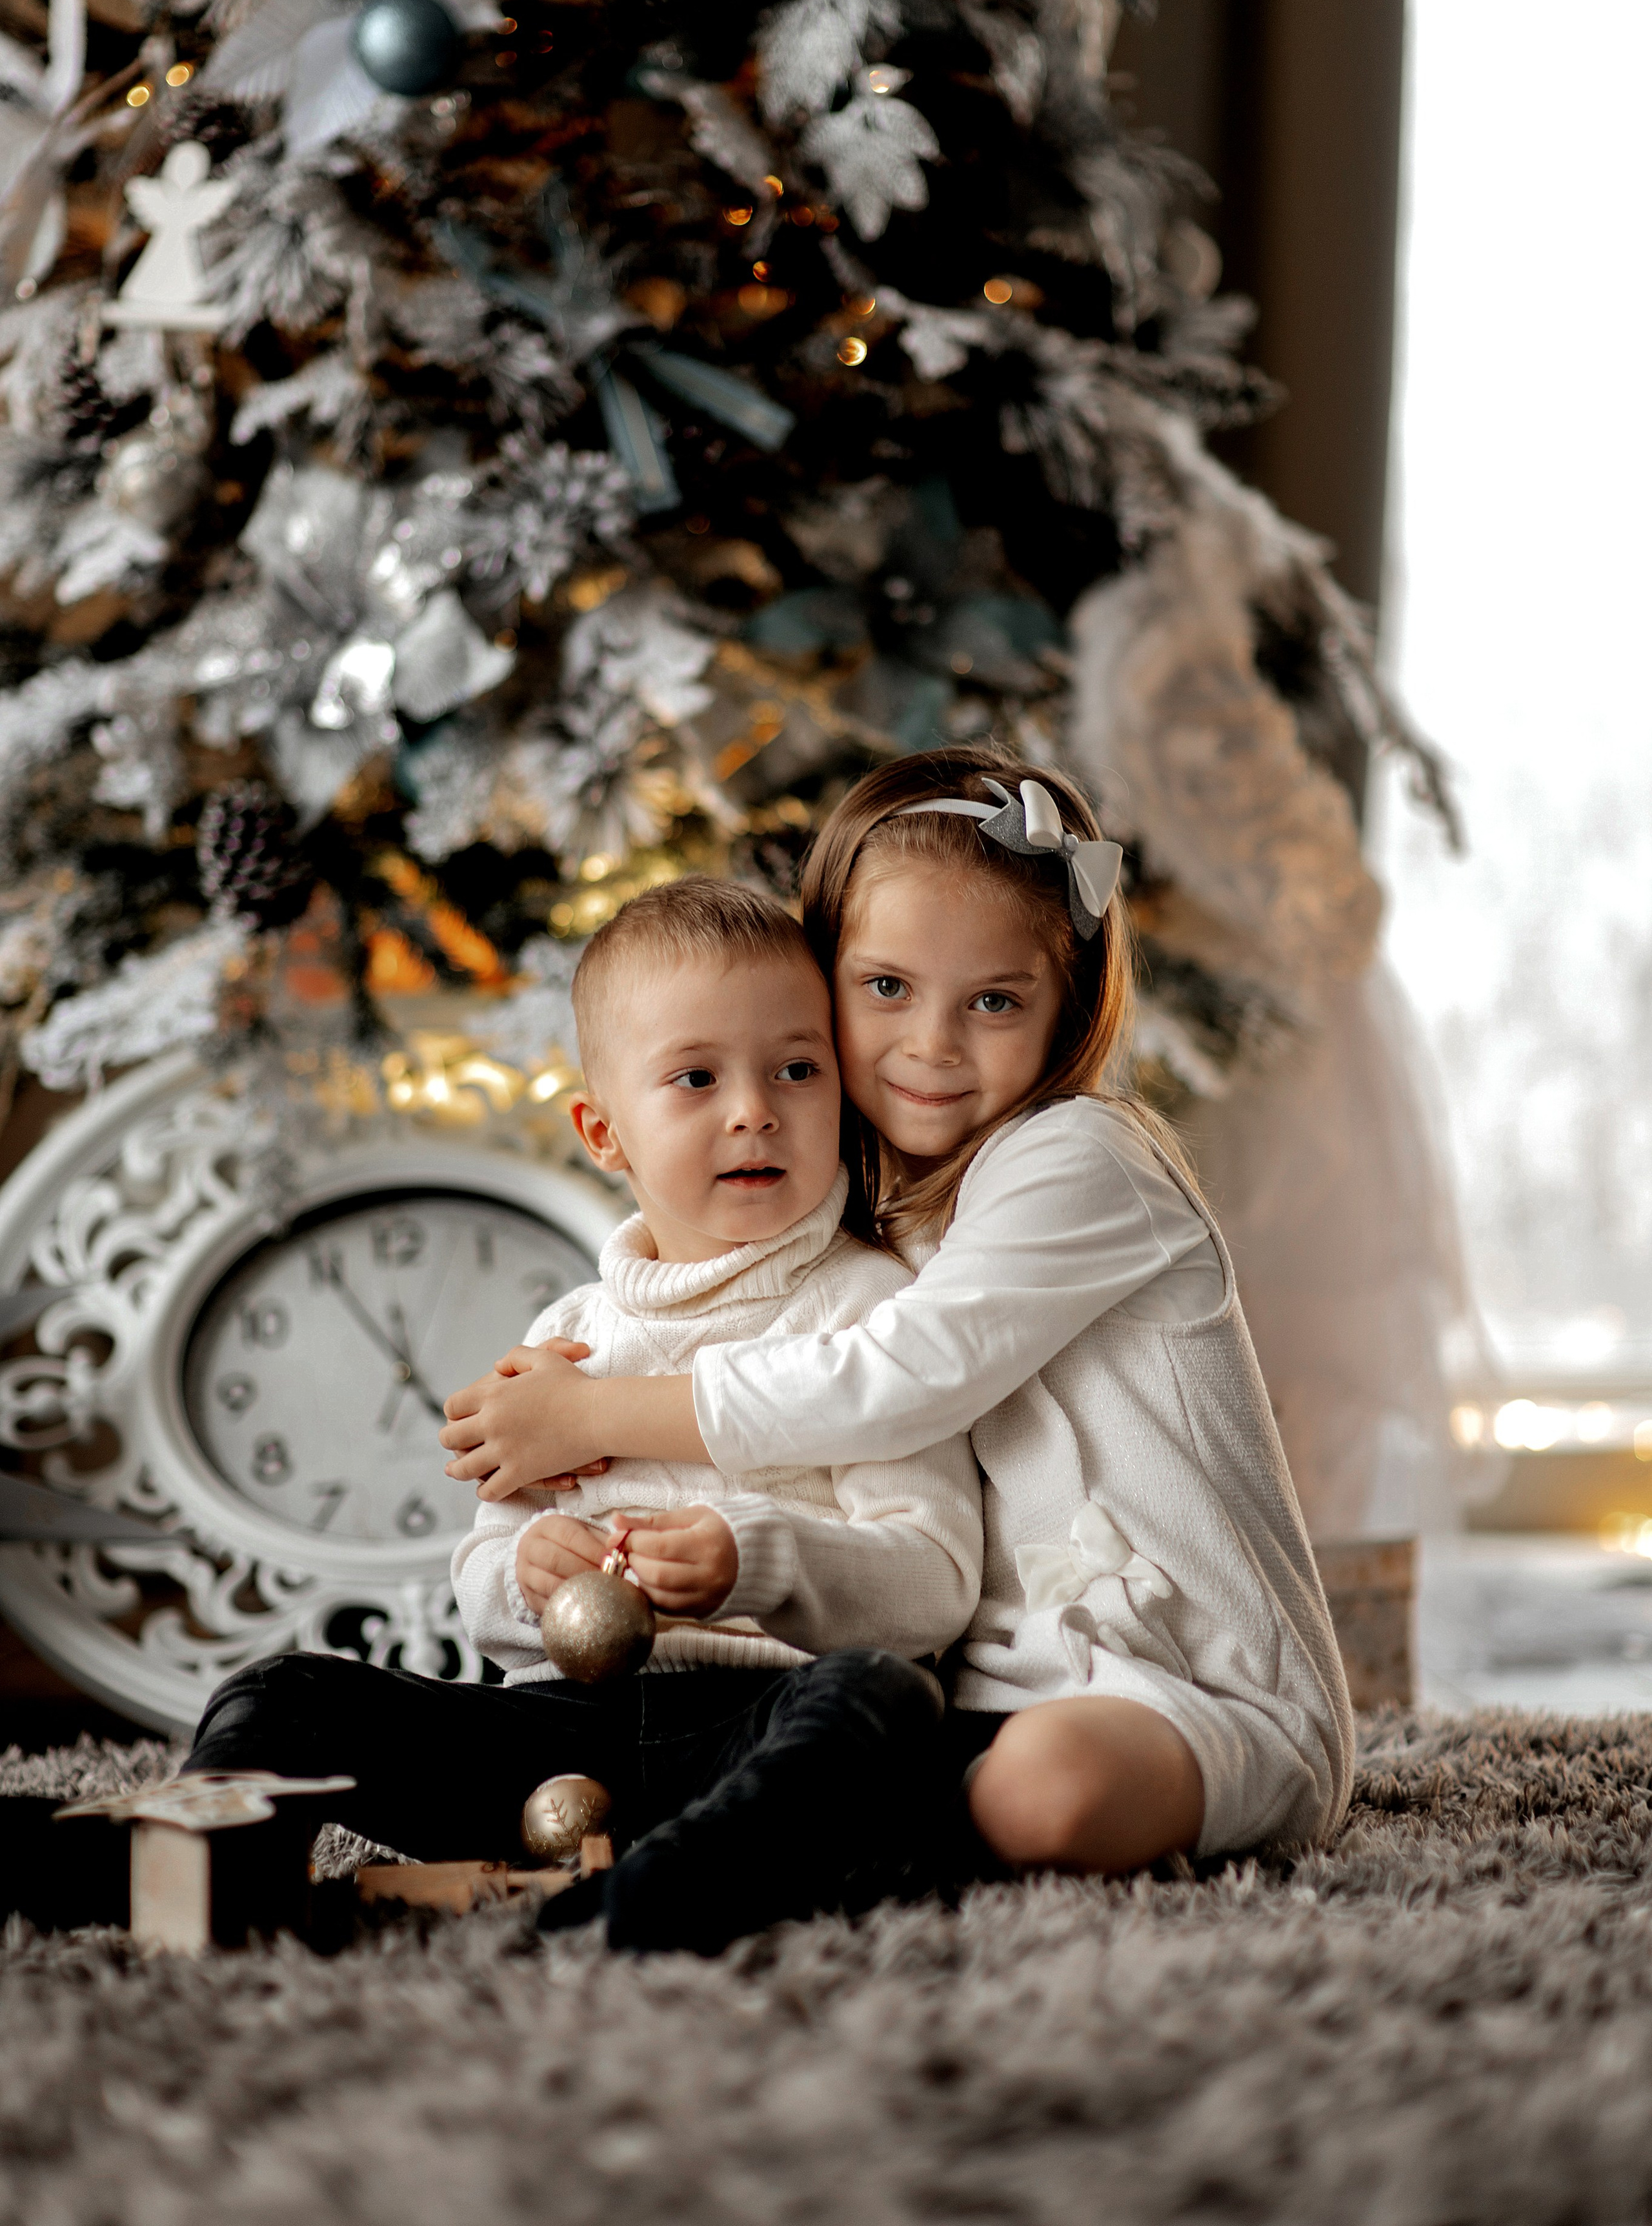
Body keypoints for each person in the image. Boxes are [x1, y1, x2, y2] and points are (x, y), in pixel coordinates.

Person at [442, 745, 1356, 1877]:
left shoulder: (1082, 1156)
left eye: (995, 1002)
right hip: (984, 1691)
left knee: (1037, 1795)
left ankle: (744, 1852)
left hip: (1199, 1684)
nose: (932, 1045)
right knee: (852, 1757)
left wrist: (590, 1415)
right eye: (885, 989)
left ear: (1068, 1010)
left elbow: (893, 1379)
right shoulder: (860, 1196)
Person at [186, 878, 983, 1954]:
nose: (755, 1110)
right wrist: (528, 1575)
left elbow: (934, 1584)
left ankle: (685, 1880)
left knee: (889, 1700)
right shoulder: (569, 1336)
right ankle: (177, 1861)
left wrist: (757, 1561)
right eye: (696, 1078)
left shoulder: (872, 1310)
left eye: (798, 1070)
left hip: (757, 1725)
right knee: (280, 1693)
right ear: (604, 1134)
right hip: (556, 1739)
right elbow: (483, 1580)